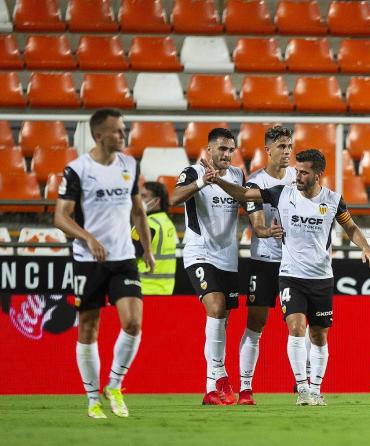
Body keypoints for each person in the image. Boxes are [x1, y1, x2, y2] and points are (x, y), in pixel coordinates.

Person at [207, 149, 370, 406]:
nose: (297, 176)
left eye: (304, 172)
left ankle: (317, 388)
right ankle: (302, 388)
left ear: (318, 174)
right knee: (296, 329)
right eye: (297, 171)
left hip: (321, 278)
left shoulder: (333, 200)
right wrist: (218, 180)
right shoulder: (282, 193)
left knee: (319, 336)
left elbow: (349, 226)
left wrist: (365, 247)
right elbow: (246, 194)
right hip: (290, 276)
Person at [54, 108, 155, 419]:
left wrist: (147, 250)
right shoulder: (77, 170)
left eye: (123, 130)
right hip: (89, 260)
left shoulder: (129, 164)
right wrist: (88, 239)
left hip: (124, 257)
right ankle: (91, 398)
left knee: (133, 322)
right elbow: (60, 216)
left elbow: (138, 210)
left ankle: (114, 385)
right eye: (117, 131)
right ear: (99, 135)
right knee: (89, 326)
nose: (123, 135)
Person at [170, 128, 244, 406]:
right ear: (209, 149)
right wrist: (202, 182)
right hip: (200, 252)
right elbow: (174, 198)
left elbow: (247, 199)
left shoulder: (237, 175)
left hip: (229, 259)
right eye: (221, 149)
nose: (226, 155)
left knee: (222, 320)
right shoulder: (191, 171)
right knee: (215, 307)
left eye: (230, 150)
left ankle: (211, 388)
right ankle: (220, 375)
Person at [238, 126, 294, 405]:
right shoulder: (255, 183)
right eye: (281, 146)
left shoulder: (299, 178)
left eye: (289, 146)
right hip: (264, 261)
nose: (287, 152)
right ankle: (246, 387)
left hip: (295, 265)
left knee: (300, 323)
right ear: (268, 149)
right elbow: (257, 226)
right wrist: (266, 232)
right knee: (256, 323)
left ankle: (304, 383)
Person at [131, 182, 178, 295]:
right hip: (165, 289)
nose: (139, 199)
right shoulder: (167, 223)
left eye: (144, 196)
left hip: (144, 288)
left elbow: (130, 256)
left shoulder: (147, 225)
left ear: (157, 201)